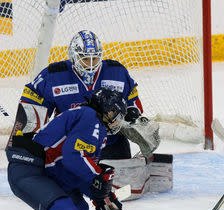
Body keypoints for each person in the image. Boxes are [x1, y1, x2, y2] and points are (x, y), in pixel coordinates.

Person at [10, 30, 170, 199]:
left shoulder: (116, 72)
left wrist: (133, 117)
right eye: (85, 58)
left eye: (95, 58)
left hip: (111, 144)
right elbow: (32, 101)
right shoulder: (54, 76)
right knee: (72, 191)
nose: (91, 64)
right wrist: (26, 135)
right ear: (74, 56)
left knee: (123, 192)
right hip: (71, 148)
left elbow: (132, 102)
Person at [6, 88, 128, 210]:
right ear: (105, 109)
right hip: (28, 169)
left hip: (47, 170)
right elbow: (74, 159)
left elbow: (71, 166)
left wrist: (105, 197)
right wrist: (99, 181)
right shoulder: (91, 120)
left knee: (80, 209)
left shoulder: (90, 122)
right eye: (115, 114)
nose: (116, 120)